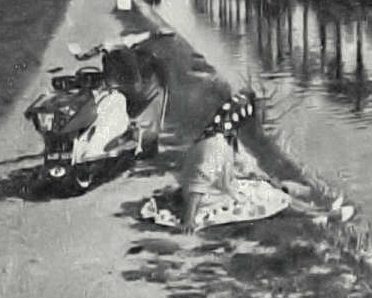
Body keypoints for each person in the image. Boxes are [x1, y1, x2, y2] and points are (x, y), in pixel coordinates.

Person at [141, 91, 353, 232]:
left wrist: (260, 178)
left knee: (265, 188)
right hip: (209, 199)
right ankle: (321, 216)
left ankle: (317, 211)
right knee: (270, 197)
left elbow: (231, 168)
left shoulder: (217, 138)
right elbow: (198, 183)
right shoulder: (216, 146)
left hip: (216, 190)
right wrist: (189, 219)